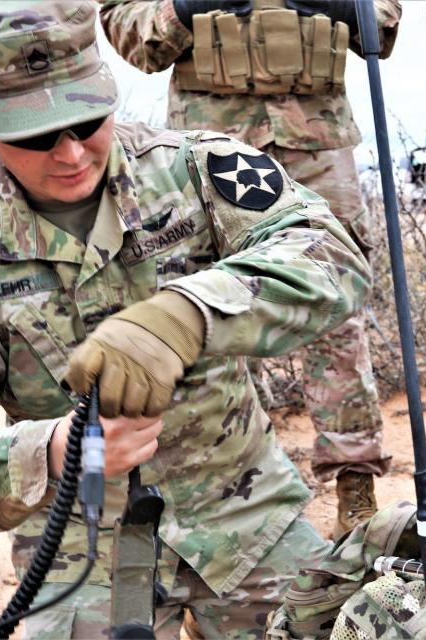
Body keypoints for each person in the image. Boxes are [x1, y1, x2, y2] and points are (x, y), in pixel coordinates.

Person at [0, 1, 373, 637]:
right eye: (33, 134)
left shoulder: (194, 167)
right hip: (82, 551)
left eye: (87, 120)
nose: (70, 153)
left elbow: (332, 255)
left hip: (248, 516)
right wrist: (54, 452)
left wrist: (191, 312)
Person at [99, 0, 400, 537]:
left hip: (316, 139)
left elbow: (381, 21)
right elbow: (130, 33)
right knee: (214, 308)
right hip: (209, 148)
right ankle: (234, 488)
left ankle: (356, 486)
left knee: (335, 310)